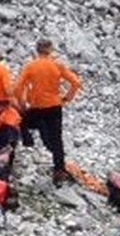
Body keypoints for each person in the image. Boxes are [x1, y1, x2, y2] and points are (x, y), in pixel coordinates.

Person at [15, 39, 81, 184]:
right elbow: (76, 82)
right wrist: (67, 98)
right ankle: (59, 170)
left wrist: (22, 103)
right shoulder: (57, 65)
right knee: (57, 139)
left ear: (37, 50)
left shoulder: (30, 66)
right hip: (54, 106)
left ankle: (28, 139)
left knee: (22, 122)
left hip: (36, 106)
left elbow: (18, 87)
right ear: (50, 50)